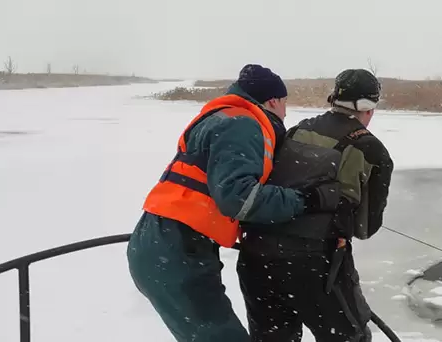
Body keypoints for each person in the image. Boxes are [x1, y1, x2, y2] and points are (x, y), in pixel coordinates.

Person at [126, 64, 341, 342]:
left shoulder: (222, 118)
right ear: (273, 100)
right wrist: (306, 200)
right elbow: (239, 198)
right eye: (285, 102)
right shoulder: (241, 124)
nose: (286, 112)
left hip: (163, 240)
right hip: (177, 248)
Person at [237, 69, 394, 342]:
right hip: (316, 267)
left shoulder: (297, 130)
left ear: (334, 98)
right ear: (369, 107)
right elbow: (365, 228)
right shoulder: (372, 150)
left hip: (256, 258)